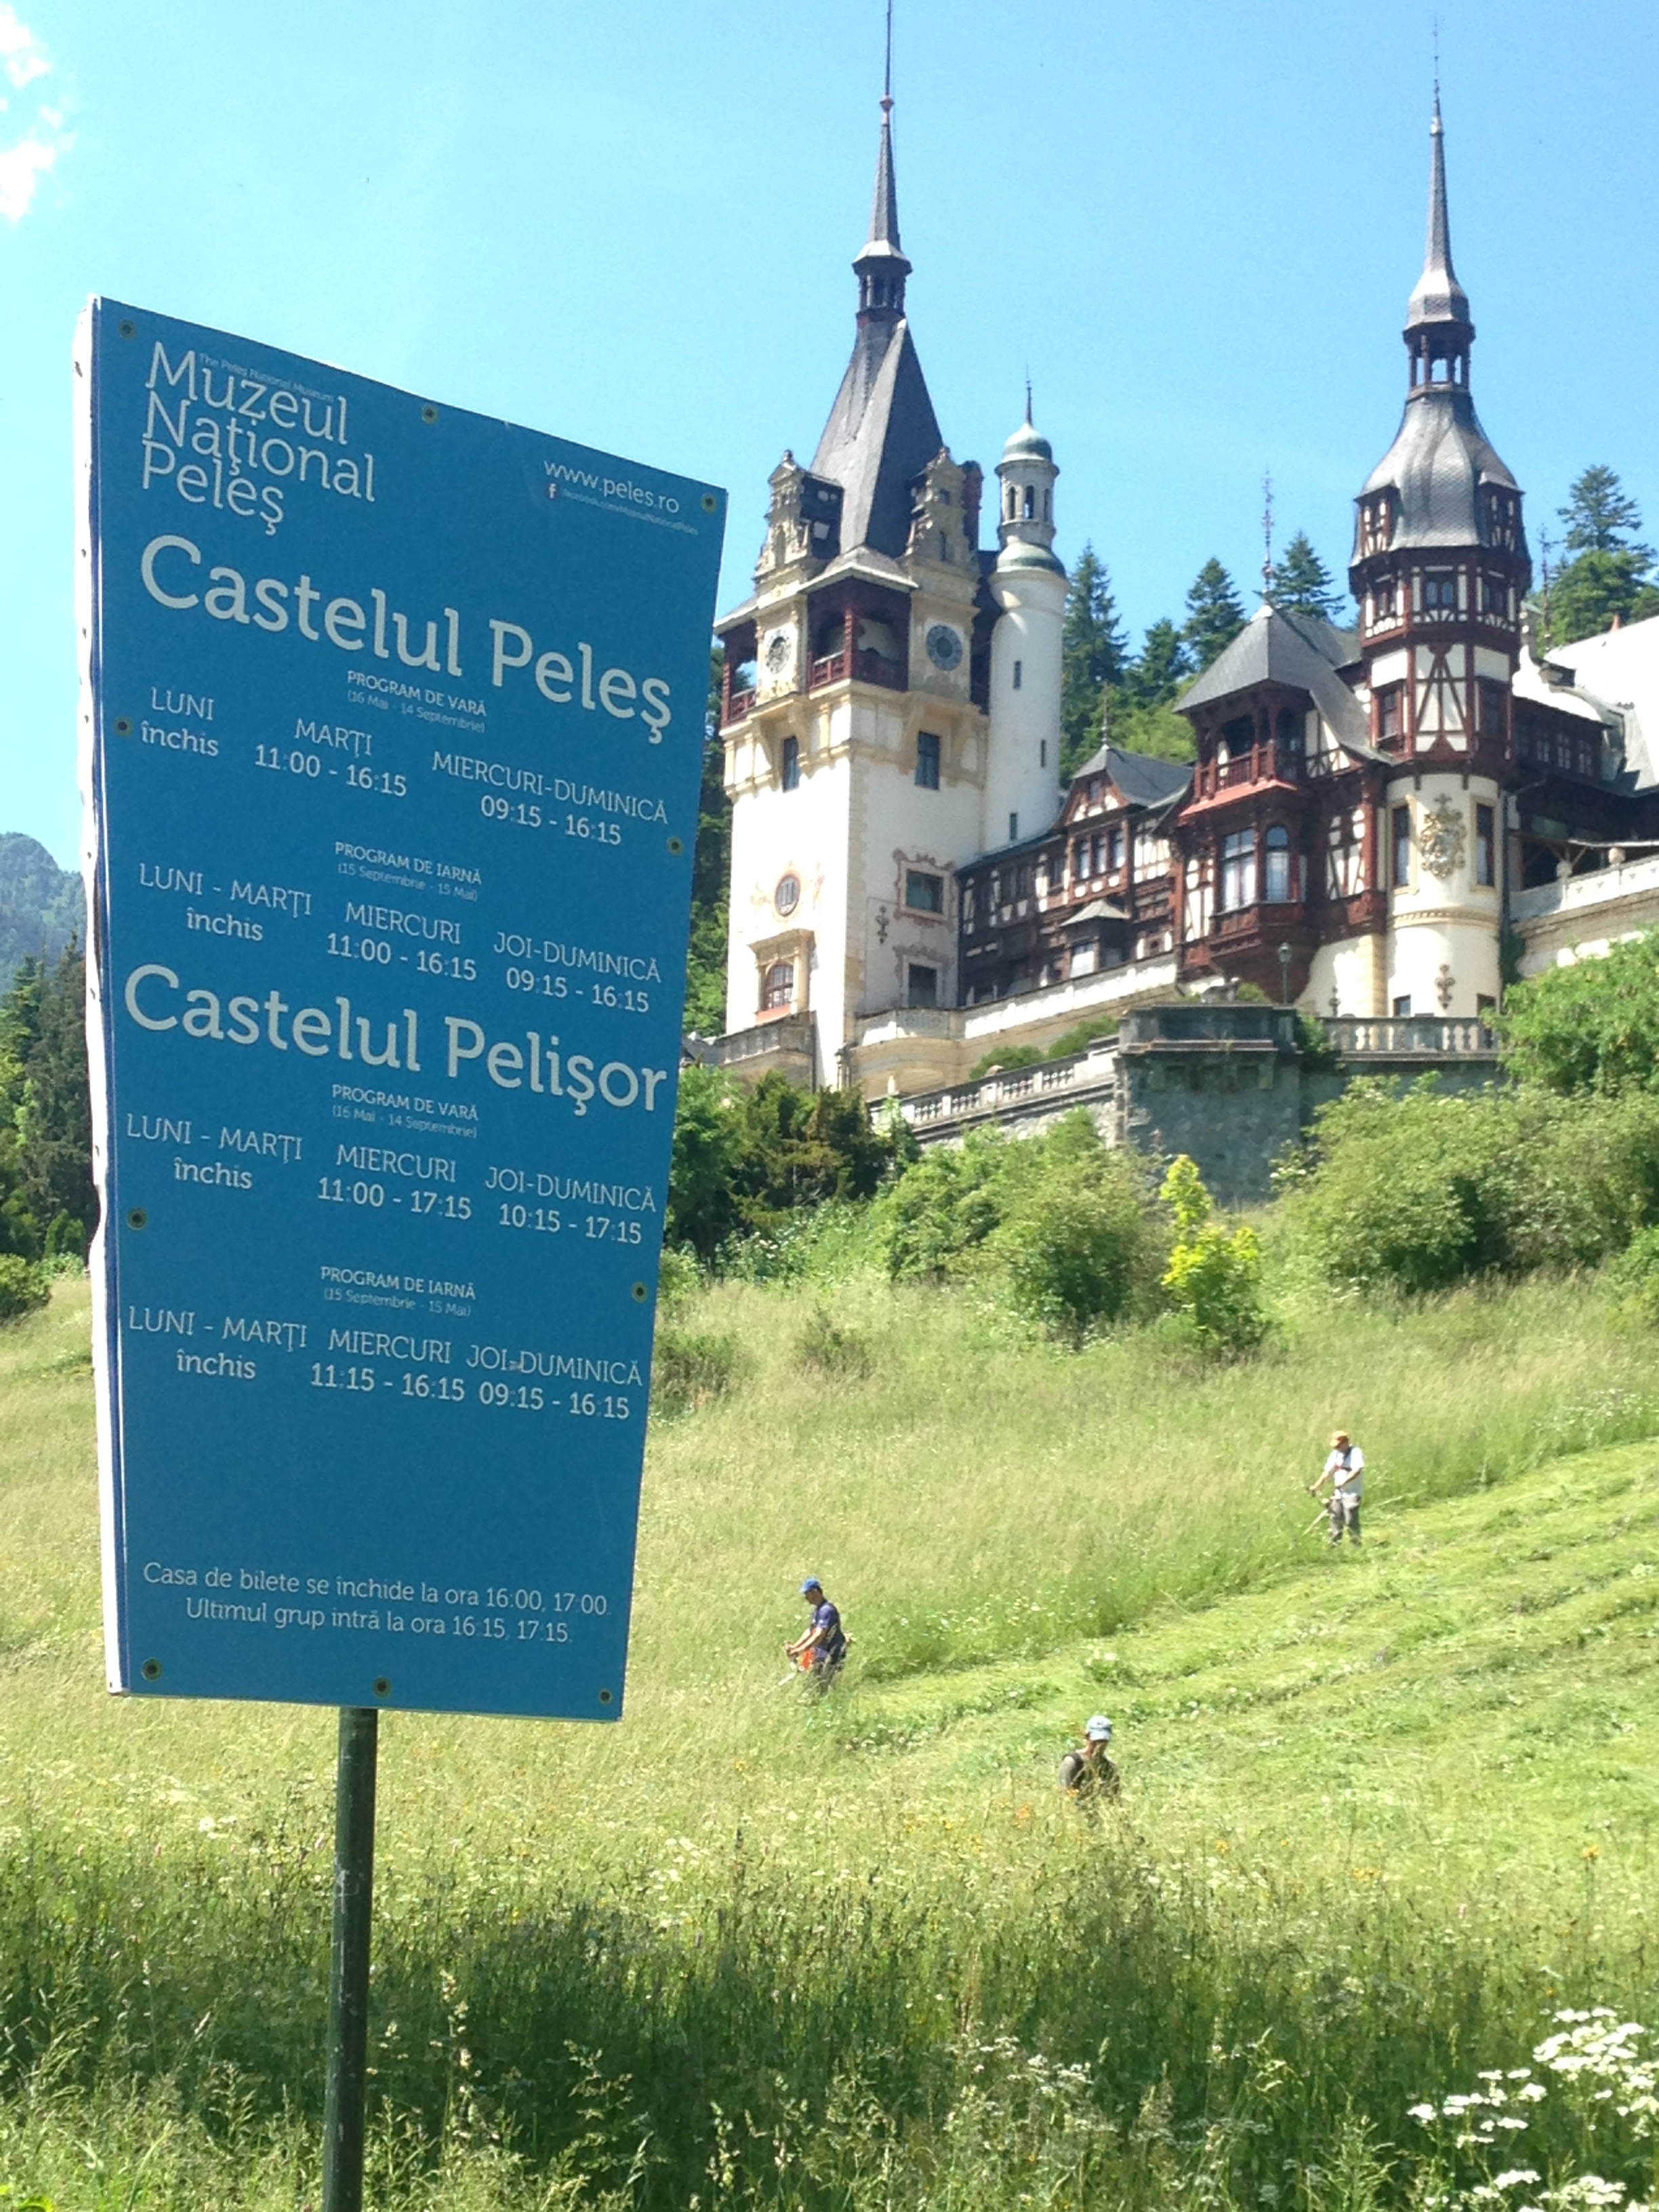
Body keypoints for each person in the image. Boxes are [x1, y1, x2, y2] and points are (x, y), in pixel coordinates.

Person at [785, 1577, 847, 1688]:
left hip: (831, 1654)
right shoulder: (818, 1610)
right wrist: (795, 1646)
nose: (805, 1598)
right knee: (807, 1678)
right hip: (819, 1653)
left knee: (823, 1684)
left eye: (807, 1594)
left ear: (815, 1592)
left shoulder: (826, 1610)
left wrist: (800, 1650)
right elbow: (810, 1631)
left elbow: (819, 1635)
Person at [1311, 1429, 1364, 1544]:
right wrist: (1316, 1486)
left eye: (1339, 1446)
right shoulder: (1335, 1454)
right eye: (1335, 1446)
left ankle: (1356, 1543)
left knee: (1350, 1520)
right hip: (1338, 1494)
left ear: (1346, 1443)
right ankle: (1334, 1544)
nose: (1337, 1448)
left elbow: (1357, 1471)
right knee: (1335, 1518)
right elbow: (1327, 1473)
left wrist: (1344, 1482)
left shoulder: (1355, 1452)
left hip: (1352, 1493)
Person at [1059, 1716, 1120, 1808]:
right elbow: (1064, 1794)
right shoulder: (1072, 1762)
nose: (1099, 1745)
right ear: (1087, 1736)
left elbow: (1114, 1800)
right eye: (1096, 1741)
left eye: (1103, 1741)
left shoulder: (1109, 1767)